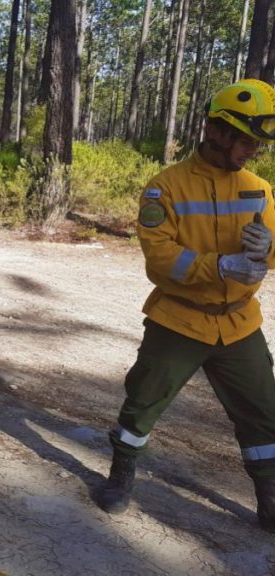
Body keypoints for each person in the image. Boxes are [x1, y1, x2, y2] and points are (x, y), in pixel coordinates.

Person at [95, 79, 275, 533]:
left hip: (238, 324)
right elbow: (159, 259)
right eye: (247, 140)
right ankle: (120, 478)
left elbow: (271, 253)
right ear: (217, 130)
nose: (252, 150)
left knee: (264, 414)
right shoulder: (165, 188)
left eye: (257, 142)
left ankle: (271, 498)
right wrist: (221, 266)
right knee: (143, 403)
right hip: (179, 321)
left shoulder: (260, 188)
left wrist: (268, 249)